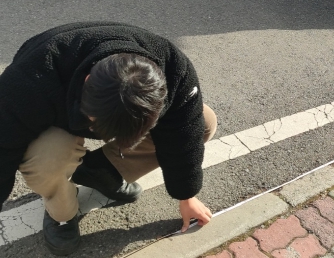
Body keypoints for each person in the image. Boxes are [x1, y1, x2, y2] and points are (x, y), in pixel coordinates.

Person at [0, 22, 218, 256]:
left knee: (204, 122)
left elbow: (185, 134)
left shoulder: (175, 69)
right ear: (87, 81)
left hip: (88, 100)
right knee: (49, 158)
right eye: (94, 123)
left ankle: (103, 171)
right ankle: (62, 214)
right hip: (54, 107)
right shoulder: (31, 78)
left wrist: (186, 195)